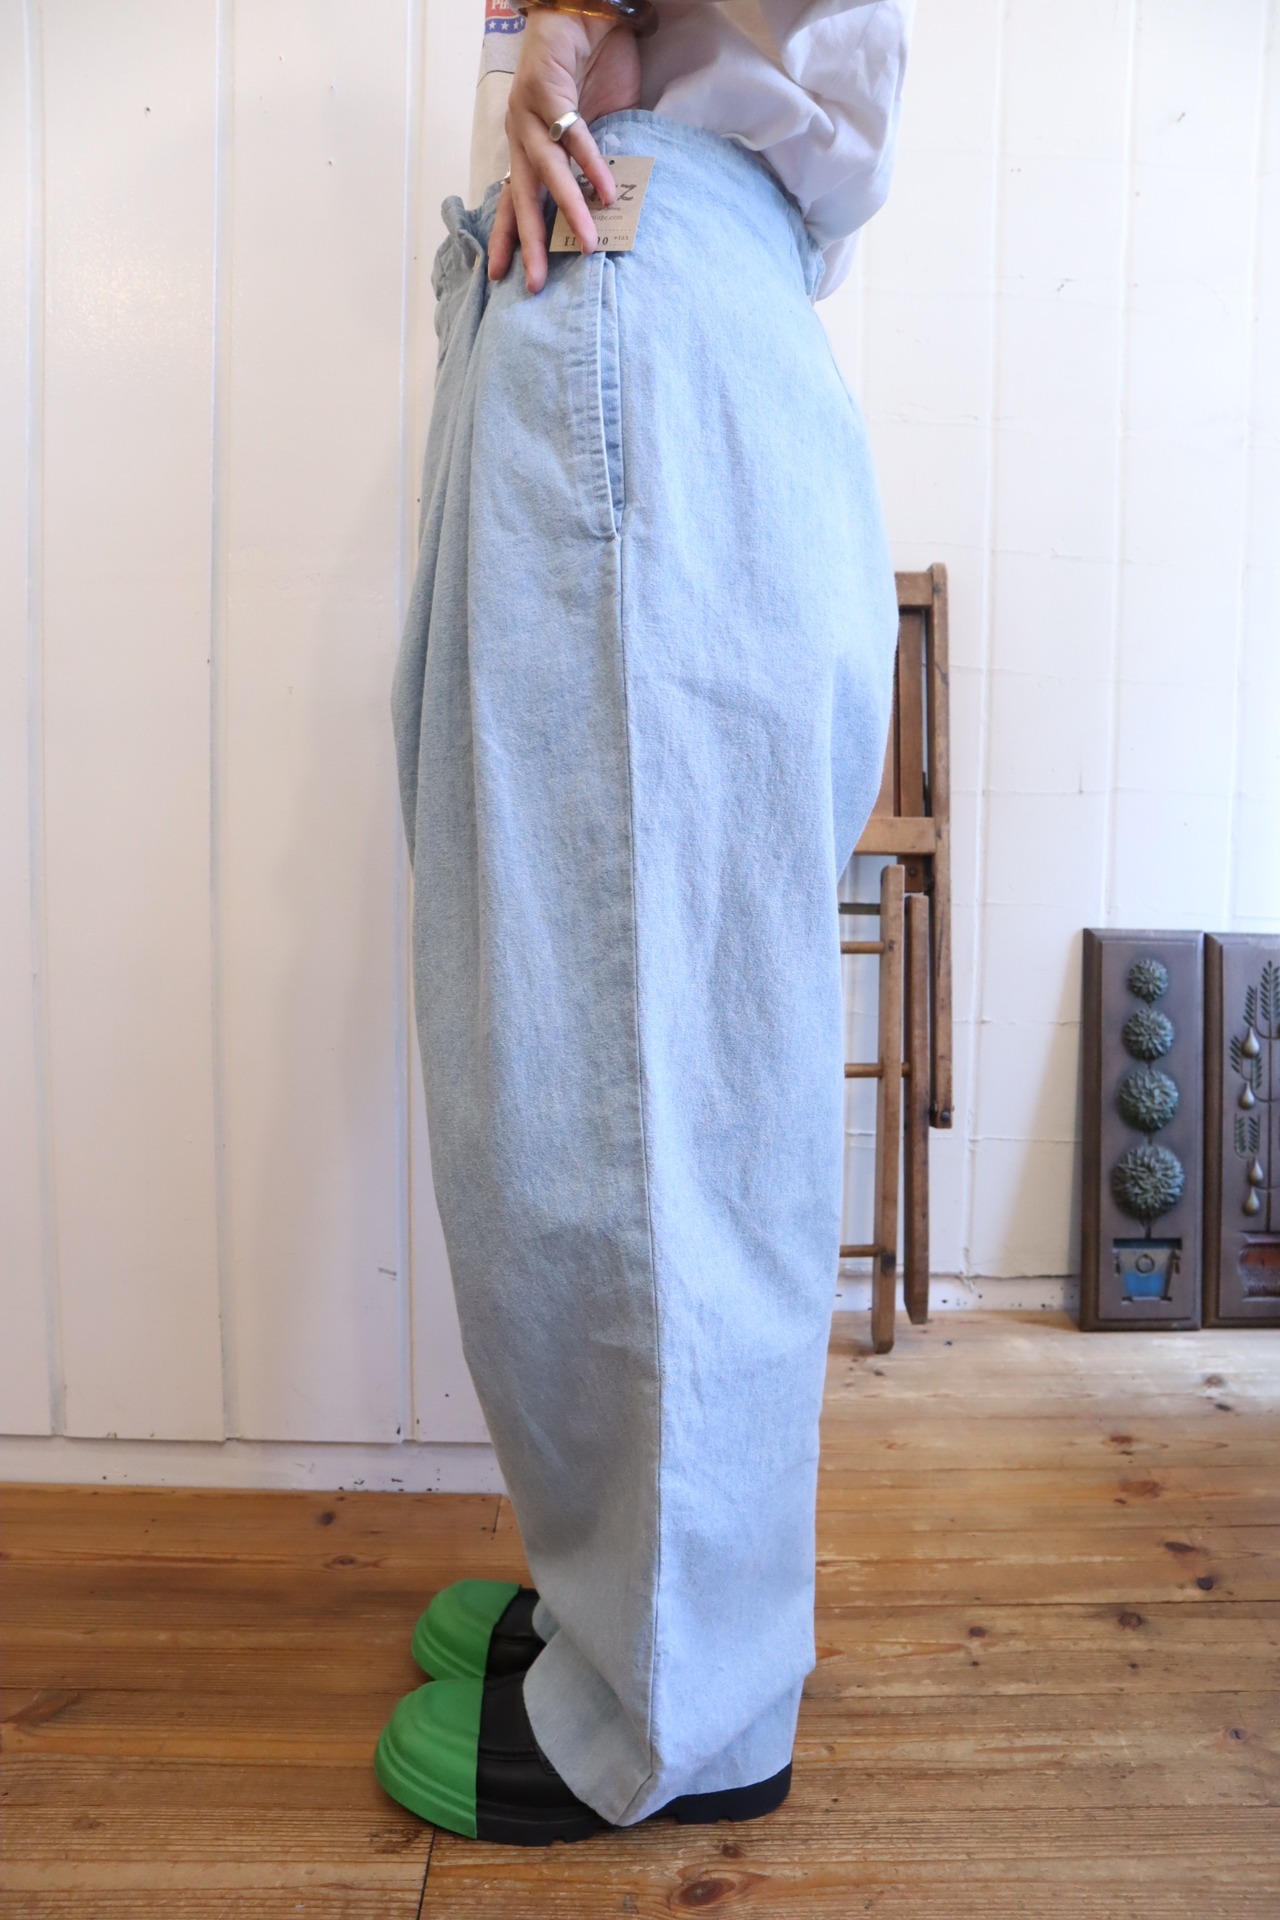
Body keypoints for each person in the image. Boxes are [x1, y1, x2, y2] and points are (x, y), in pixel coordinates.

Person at [377, 0, 911, 1846]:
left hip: (629, 262)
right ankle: (629, 1592)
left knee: (625, 1069)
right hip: (633, 268)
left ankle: (683, 1704)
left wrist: (576, 19)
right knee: (586, 1045)